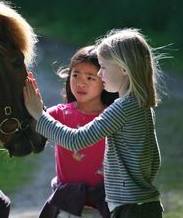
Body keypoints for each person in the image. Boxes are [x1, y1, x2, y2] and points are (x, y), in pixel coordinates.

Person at [24, 28, 165, 218]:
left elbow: (76, 140)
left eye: (104, 67)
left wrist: (38, 114)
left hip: (131, 208)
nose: (100, 73)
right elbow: (153, 161)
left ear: (124, 68)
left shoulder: (123, 107)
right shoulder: (141, 105)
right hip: (142, 204)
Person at [39, 46, 117, 218]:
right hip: (67, 206)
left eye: (90, 78)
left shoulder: (113, 117)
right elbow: (31, 124)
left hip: (104, 207)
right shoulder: (59, 113)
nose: (81, 83)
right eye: (76, 75)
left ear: (105, 80)